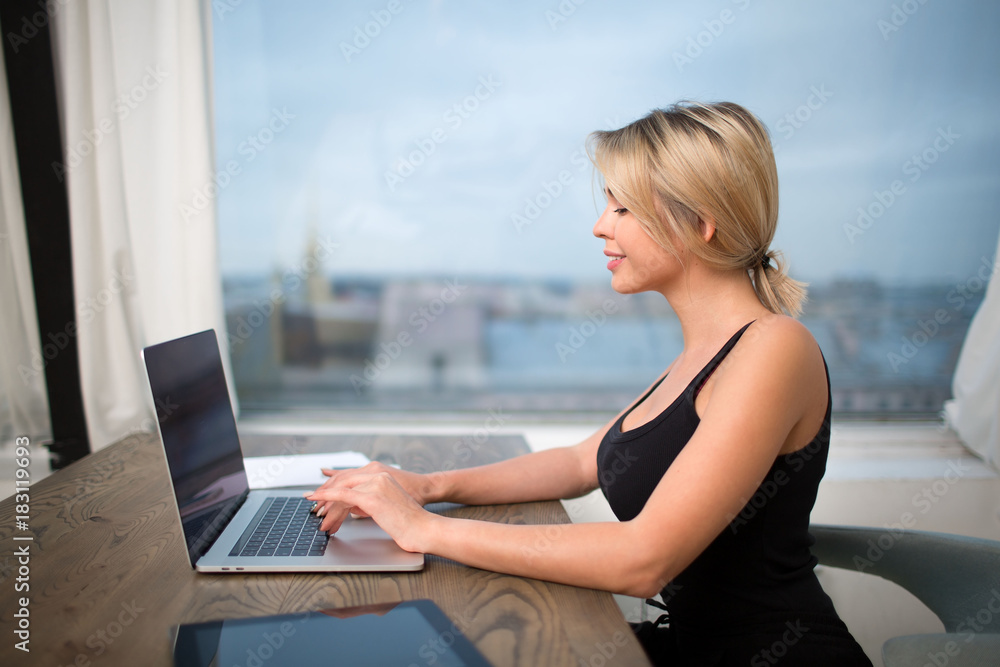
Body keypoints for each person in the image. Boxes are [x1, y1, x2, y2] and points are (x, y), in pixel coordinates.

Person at [306, 101, 872, 666]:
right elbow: (583, 462)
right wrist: (428, 486)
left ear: (699, 224)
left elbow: (643, 560)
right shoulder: (702, 356)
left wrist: (422, 530)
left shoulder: (775, 348)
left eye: (622, 207)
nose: (601, 225)